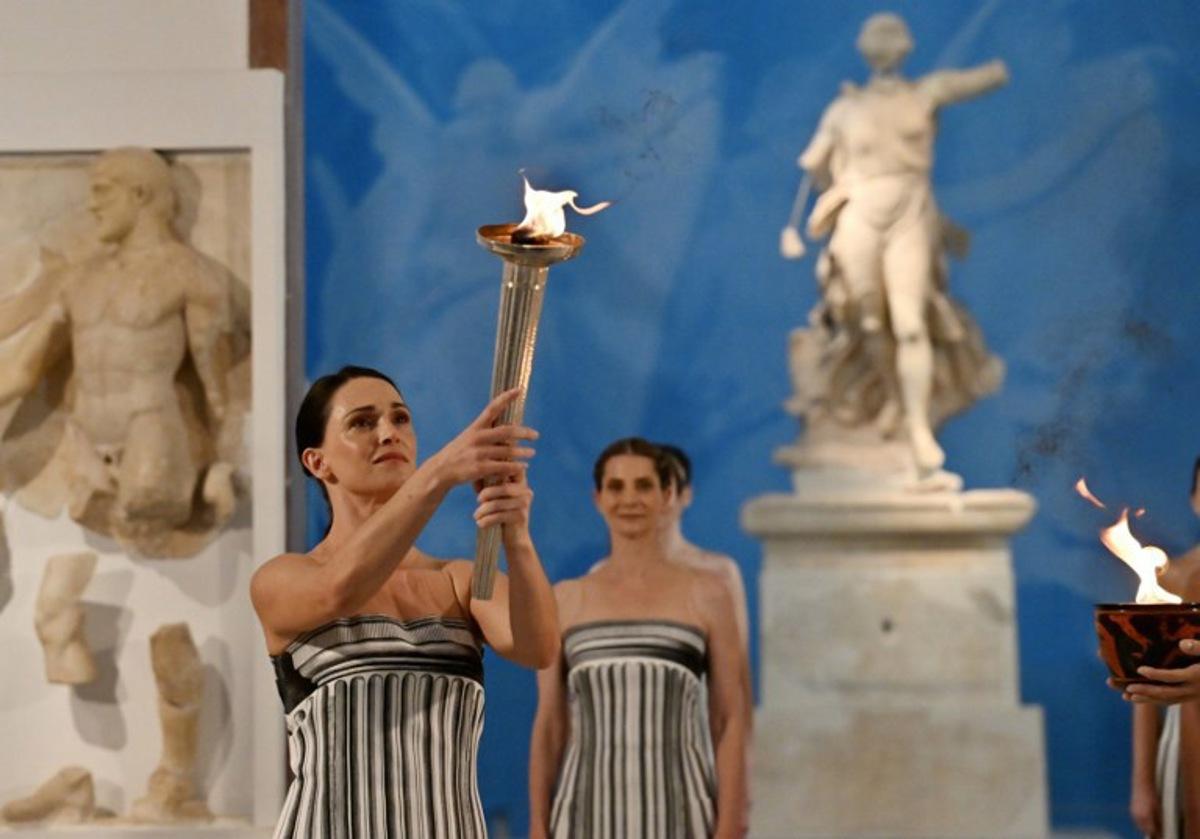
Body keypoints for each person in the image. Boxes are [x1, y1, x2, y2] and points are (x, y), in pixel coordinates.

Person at [251, 366, 559, 838]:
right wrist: (440, 473)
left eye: (400, 419)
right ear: (317, 462)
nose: (388, 433)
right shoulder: (285, 578)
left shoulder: (457, 581)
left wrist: (515, 533)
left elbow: (538, 648)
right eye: (362, 422)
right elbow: (339, 590)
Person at [780, 12, 1008, 479]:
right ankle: (897, 406)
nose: (884, 47)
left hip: (909, 210)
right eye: (876, 40)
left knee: (909, 321)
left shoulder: (926, 94)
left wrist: (994, 23)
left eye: (892, 39)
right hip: (861, 210)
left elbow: (986, 78)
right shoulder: (844, 110)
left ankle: (918, 427)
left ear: (904, 48)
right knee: (867, 320)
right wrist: (823, 168)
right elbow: (815, 166)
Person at [0, 147, 242, 550]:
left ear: (140, 194)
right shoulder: (81, 278)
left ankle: (200, 490)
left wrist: (219, 457)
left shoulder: (189, 274)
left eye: (102, 191)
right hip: (85, 442)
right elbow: (22, 371)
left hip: (149, 428)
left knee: (143, 512)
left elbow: (215, 387)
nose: (92, 205)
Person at [530, 438, 747, 838]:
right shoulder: (565, 599)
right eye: (616, 487)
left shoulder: (710, 593)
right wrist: (539, 826)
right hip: (582, 815)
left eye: (643, 485)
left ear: (668, 495)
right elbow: (550, 724)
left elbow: (728, 719)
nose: (629, 498)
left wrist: (731, 824)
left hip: (683, 815)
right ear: (598, 498)